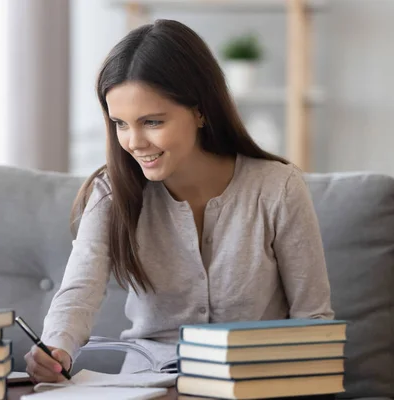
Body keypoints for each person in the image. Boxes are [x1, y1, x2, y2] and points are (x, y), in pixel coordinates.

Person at [24, 19, 334, 383]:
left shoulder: (277, 187)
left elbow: (313, 319)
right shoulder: (111, 192)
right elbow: (79, 291)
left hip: (254, 382)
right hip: (149, 384)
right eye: (120, 124)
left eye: (152, 122)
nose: (134, 141)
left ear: (200, 110)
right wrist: (55, 348)